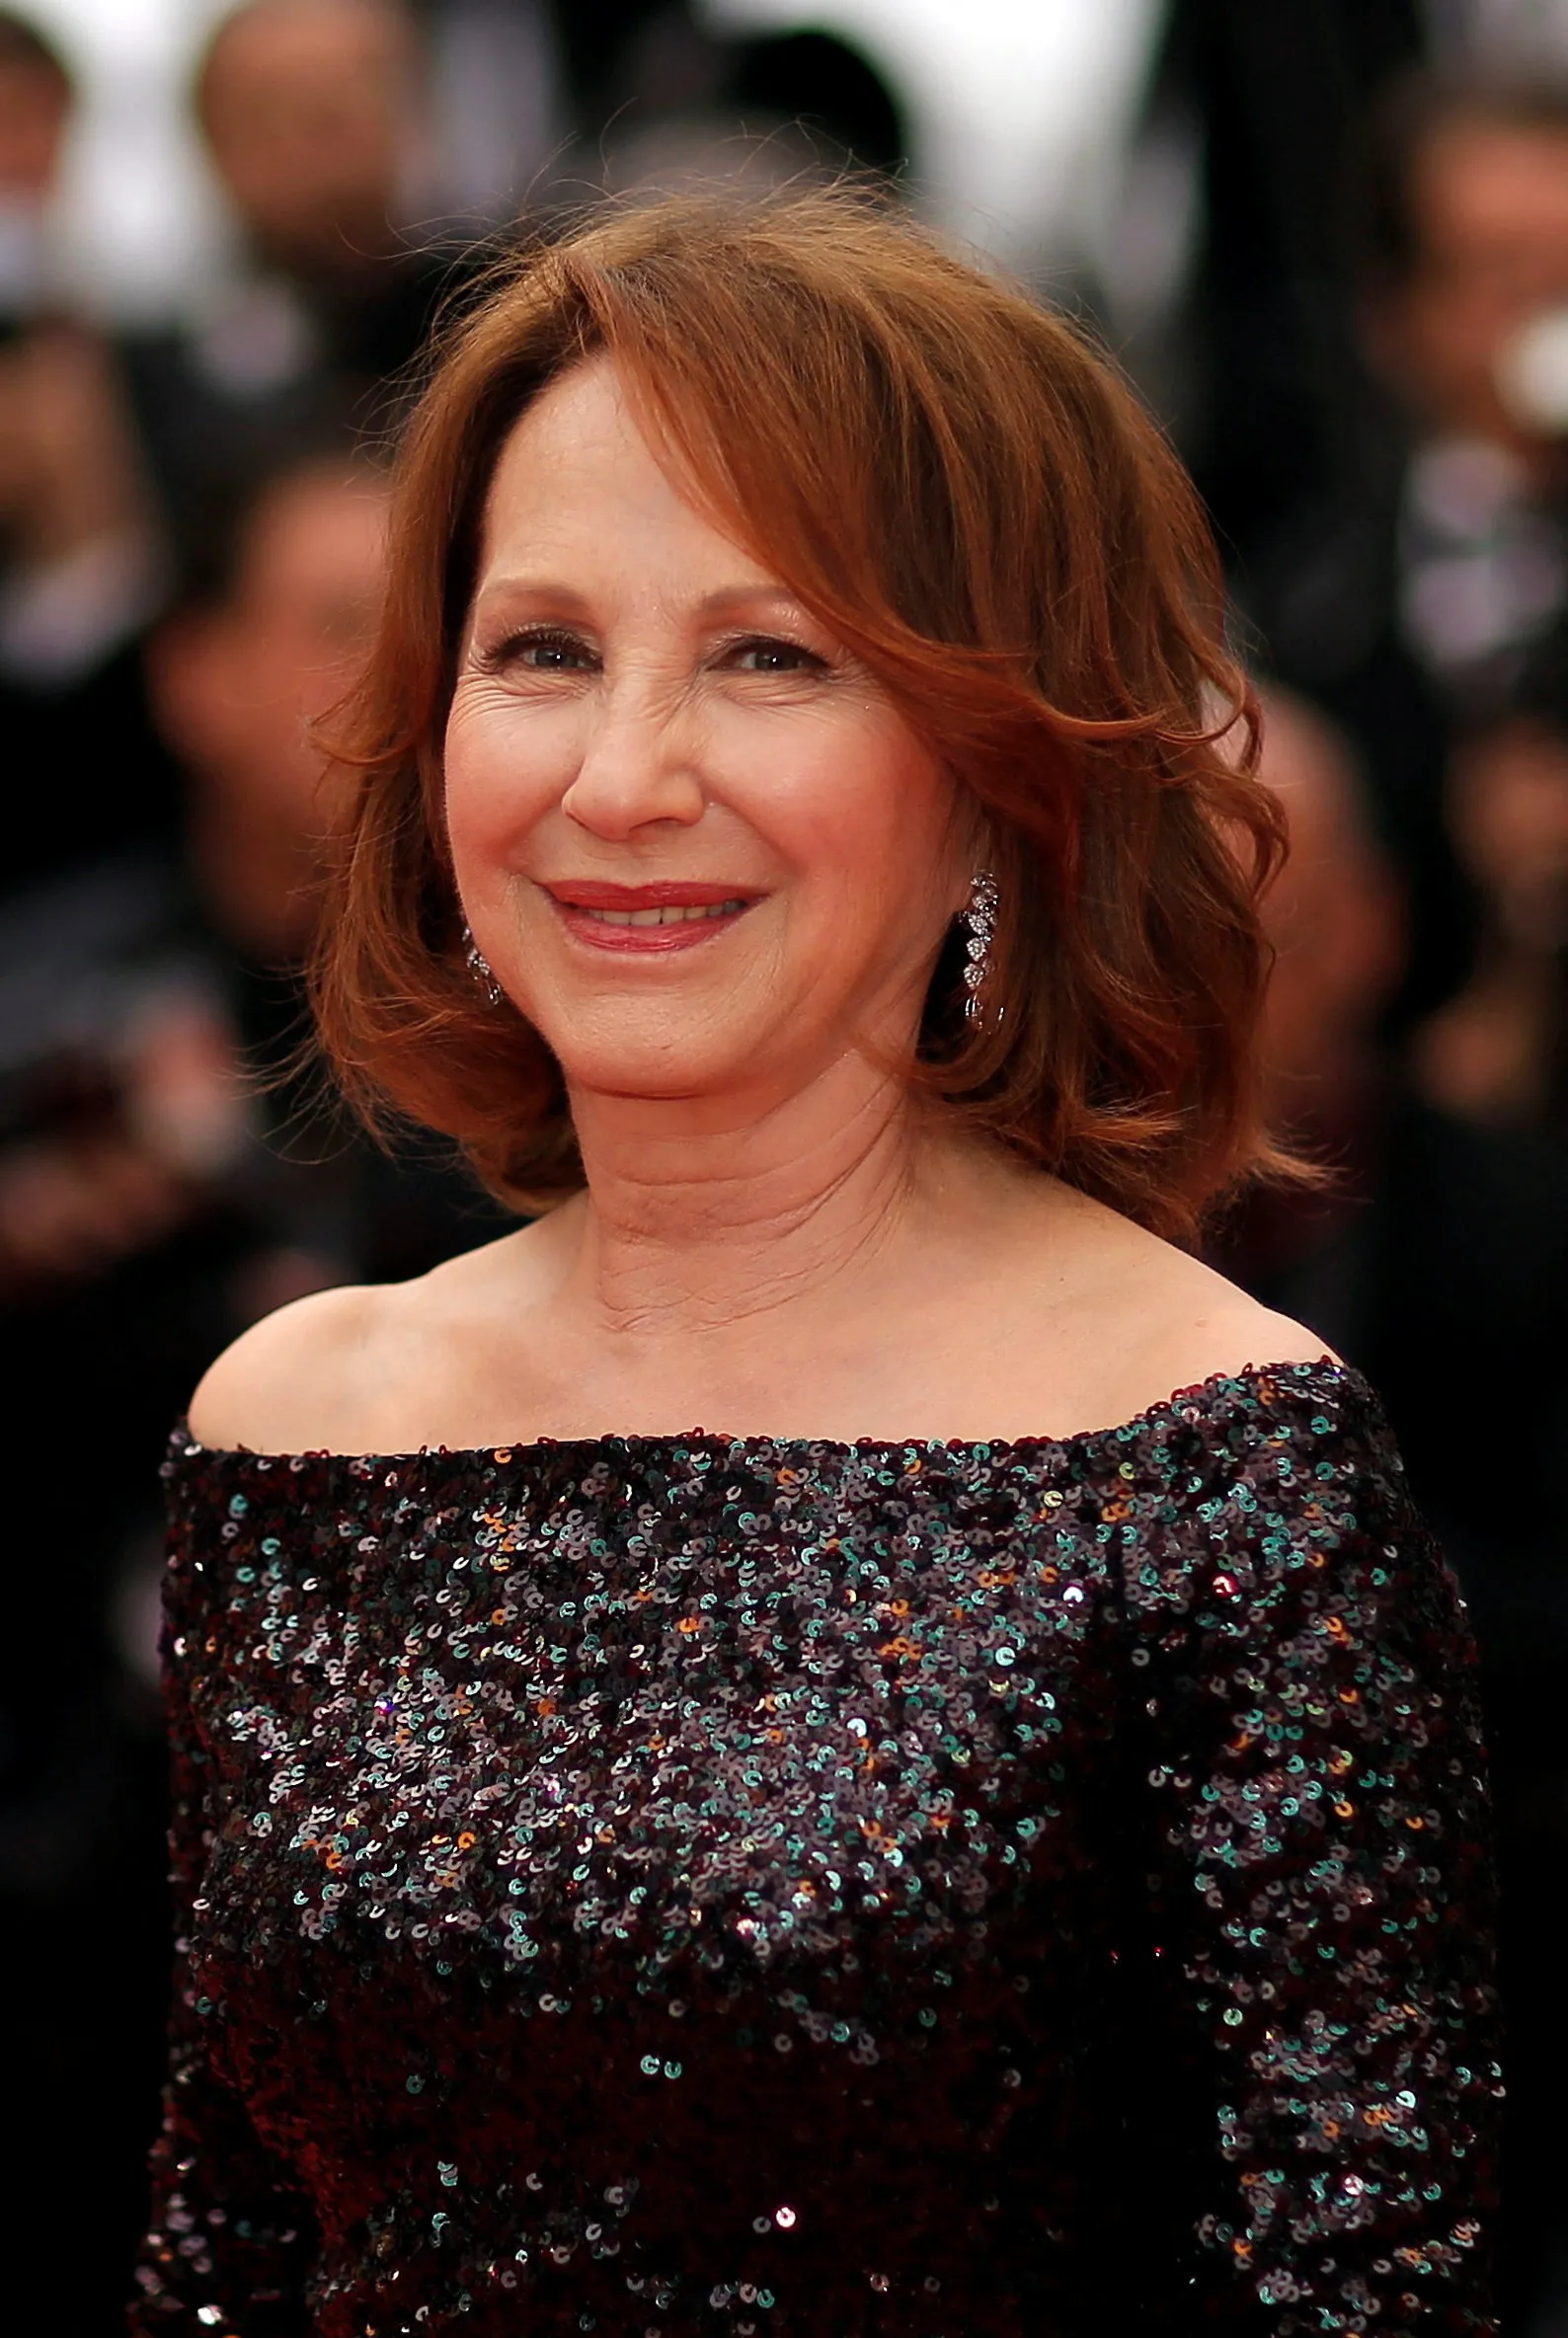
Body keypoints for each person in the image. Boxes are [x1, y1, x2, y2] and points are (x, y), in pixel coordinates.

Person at [130, 191, 1500, 2336]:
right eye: (542, 650)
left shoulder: (1208, 1458)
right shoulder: (298, 1423)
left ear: (994, 765)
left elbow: (1358, 2287)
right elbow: (227, 2243)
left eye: (769, 656)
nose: (621, 774)